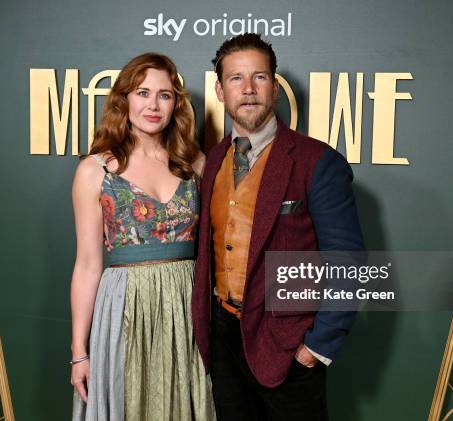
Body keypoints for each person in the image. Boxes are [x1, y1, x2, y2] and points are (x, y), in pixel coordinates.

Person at [191, 34, 365, 420]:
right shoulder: (214, 159)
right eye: (236, 79)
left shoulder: (317, 161)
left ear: (275, 85)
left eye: (259, 77)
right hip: (223, 340)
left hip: (289, 346)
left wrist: (315, 348)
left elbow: (348, 262)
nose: (248, 89)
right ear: (220, 90)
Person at [70, 53, 215, 421]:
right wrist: (79, 351)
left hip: (186, 307)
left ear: (175, 104)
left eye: (164, 95)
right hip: (124, 306)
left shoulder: (196, 163)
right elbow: (88, 264)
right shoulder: (94, 171)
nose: (153, 105)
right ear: (124, 100)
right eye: (142, 92)